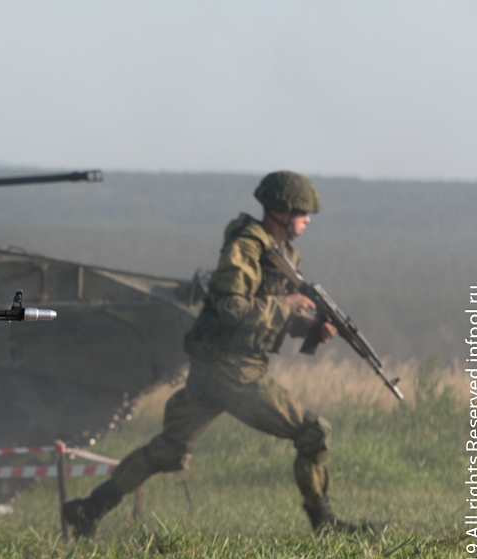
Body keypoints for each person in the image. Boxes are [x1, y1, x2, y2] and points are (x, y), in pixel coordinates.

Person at [63, 171, 378, 537]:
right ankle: (324, 523)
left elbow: (267, 316)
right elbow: (233, 309)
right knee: (313, 432)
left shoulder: (282, 255)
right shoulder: (245, 248)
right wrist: (286, 304)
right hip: (233, 370)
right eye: (303, 213)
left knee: (168, 449)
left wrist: (307, 328)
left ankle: (89, 509)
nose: (308, 220)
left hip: (215, 369)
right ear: (281, 211)